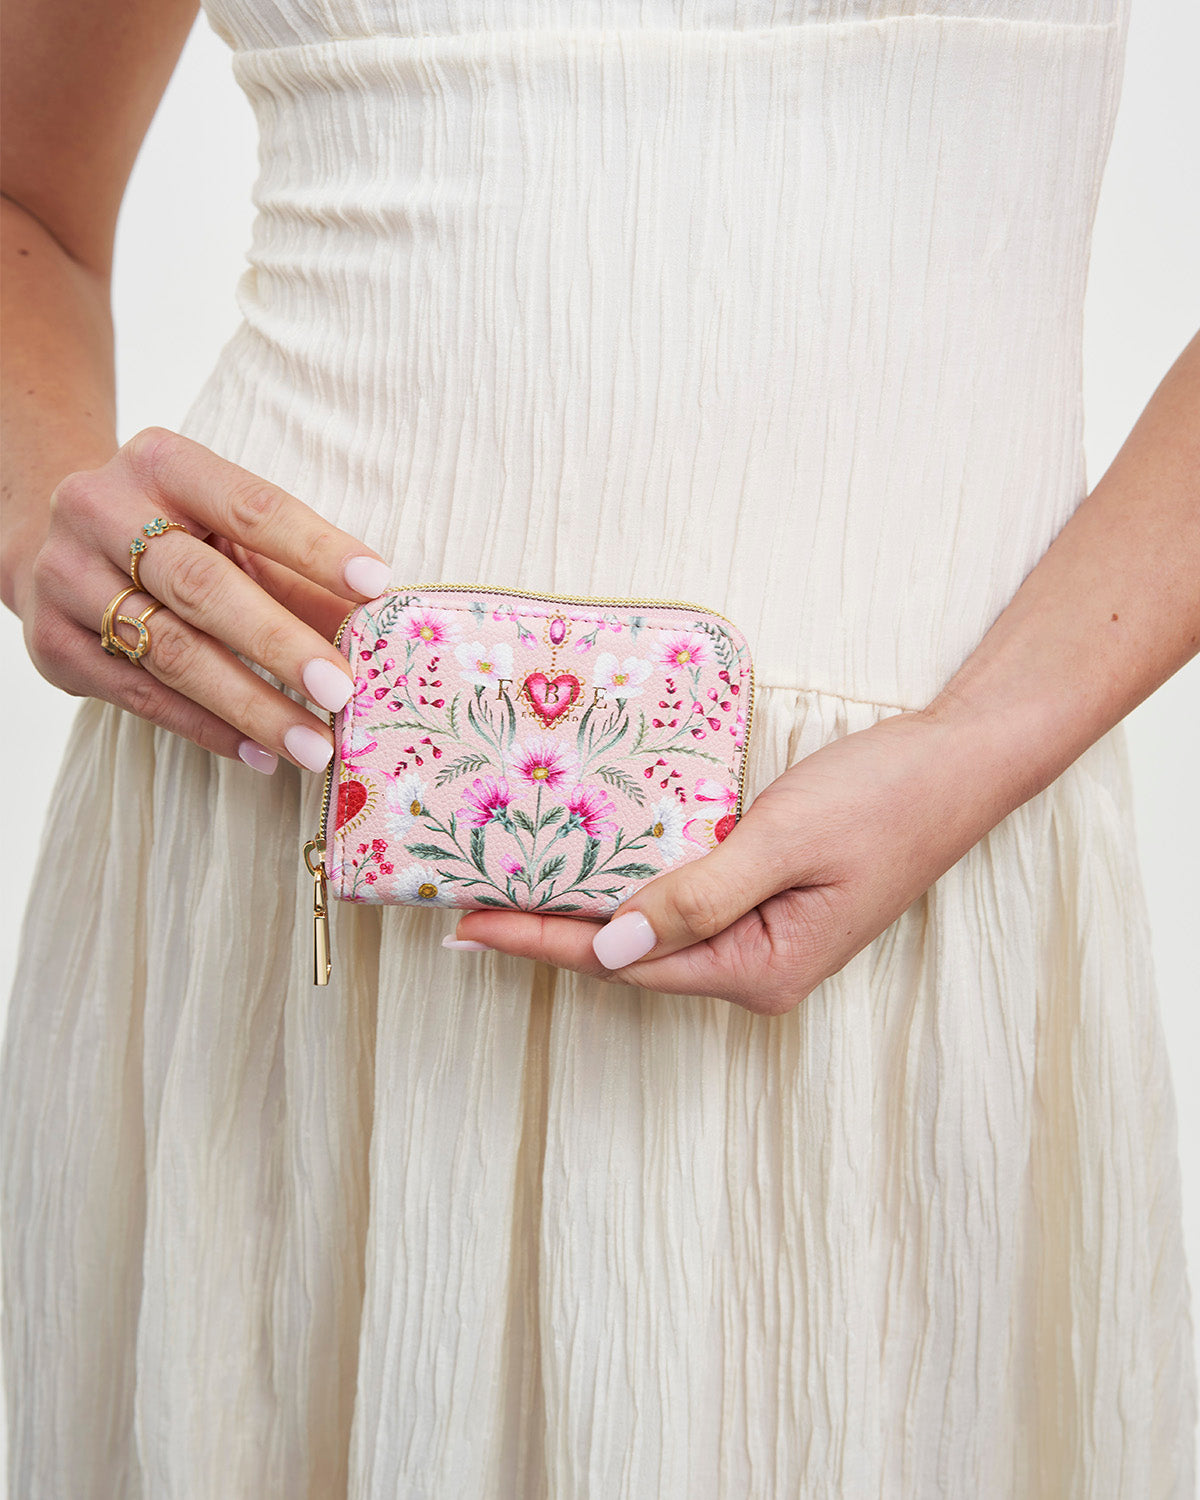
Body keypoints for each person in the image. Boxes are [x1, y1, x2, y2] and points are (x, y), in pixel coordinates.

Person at [1, 0, 1196, 1493]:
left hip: (908, 892)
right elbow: (22, 198)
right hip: (285, 872)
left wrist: (974, 746)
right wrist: (41, 513)